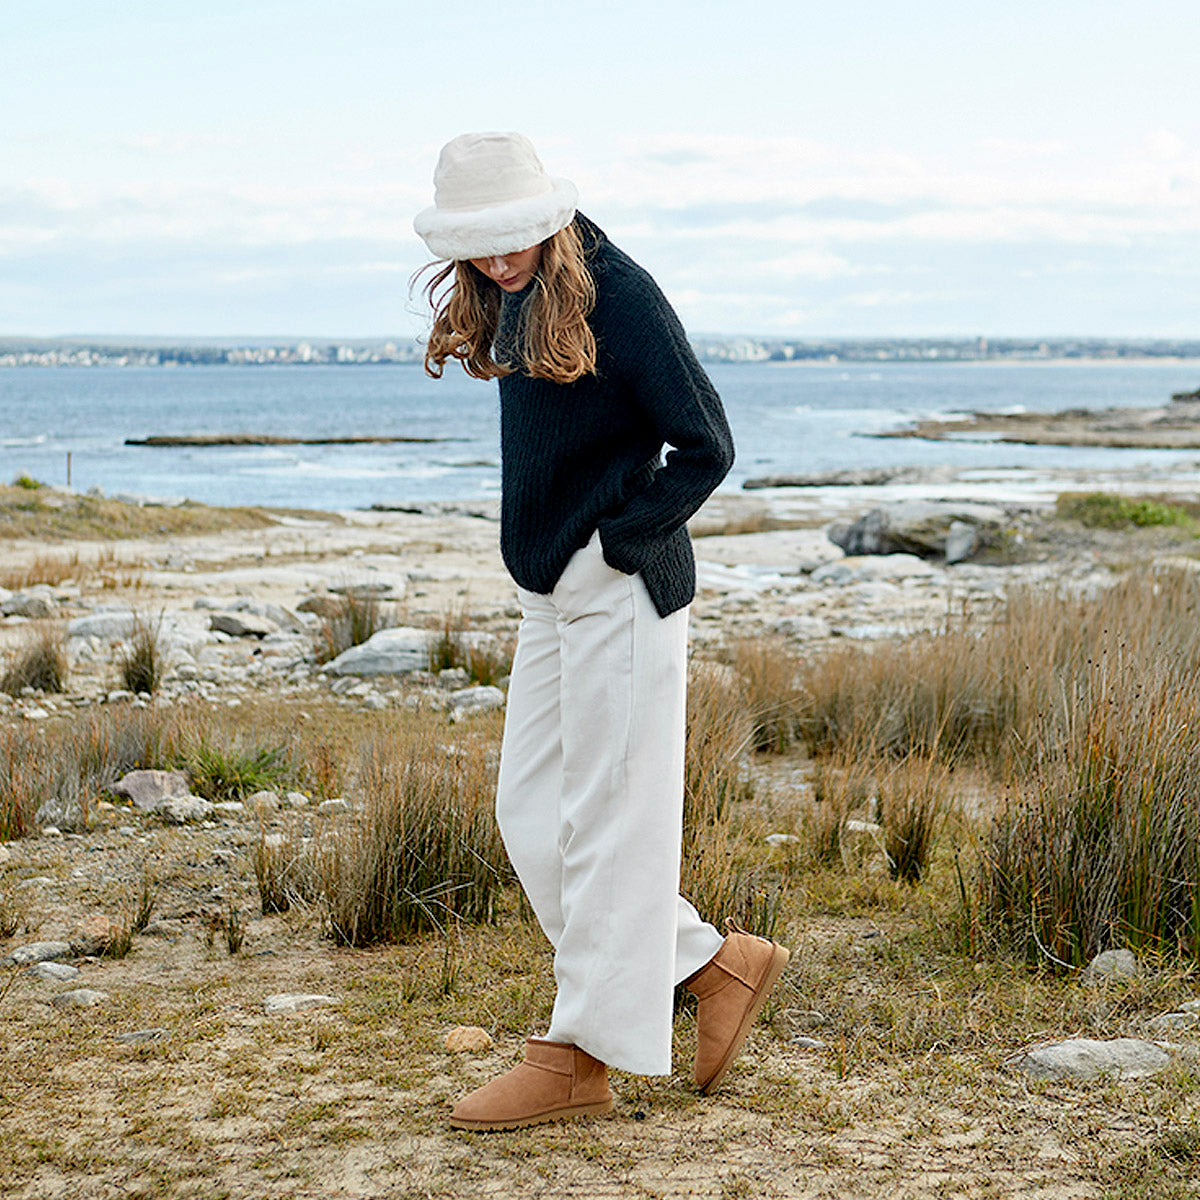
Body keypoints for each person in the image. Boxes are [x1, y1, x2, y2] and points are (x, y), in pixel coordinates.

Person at [413, 132, 789, 1132]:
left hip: (621, 587)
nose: (498, 259)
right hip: (549, 590)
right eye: (479, 244)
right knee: (531, 812)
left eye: (512, 237)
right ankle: (709, 964)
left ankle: (578, 1056)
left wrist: (620, 540)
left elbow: (705, 440)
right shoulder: (506, 291)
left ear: (548, 213)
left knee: (614, 826)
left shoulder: (617, 291)